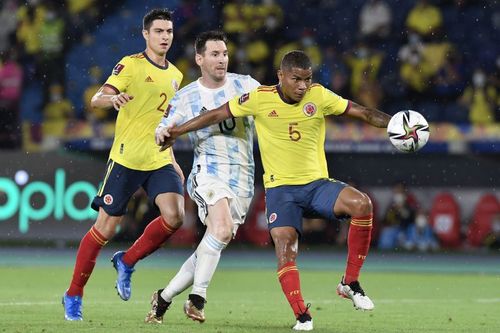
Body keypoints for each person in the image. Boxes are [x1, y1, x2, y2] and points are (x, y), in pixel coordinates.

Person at [157, 50, 392, 331]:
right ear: (281, 76)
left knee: (362, 204)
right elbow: (217, 114)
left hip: (317, 185)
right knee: (286, 251)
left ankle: (350, 282)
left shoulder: (319, 95)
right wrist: (178, 131)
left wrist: (396, 123)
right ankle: (302, 316)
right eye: (296, 79)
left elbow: (363, 112)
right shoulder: (259, 98)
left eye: (307, 79)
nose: (303, 86)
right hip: (281, 192)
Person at [62, 8, 185, 321]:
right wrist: (112, 100)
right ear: (146, 34)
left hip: (158, 158)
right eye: (158, 31)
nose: (165, 37)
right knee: (104, 228)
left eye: (168, 31)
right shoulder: (130, 65)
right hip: (127, 159)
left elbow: (163, 122)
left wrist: (173, 159)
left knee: (175, 216)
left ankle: (127, 261)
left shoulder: (176, 75)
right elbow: (97, 99)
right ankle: (74, 294)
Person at [144, 30, 260, 324]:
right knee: (219, 230)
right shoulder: (186, 97)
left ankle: (163, 298)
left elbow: (273, 109)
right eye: (215, 54)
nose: (222, 60)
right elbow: (165, 125)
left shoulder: (245, 85)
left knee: (212, 242)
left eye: (224, 54)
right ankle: (198, 299)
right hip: (207, 174)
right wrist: (162, 132)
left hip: (243, 180)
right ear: (200, 59)